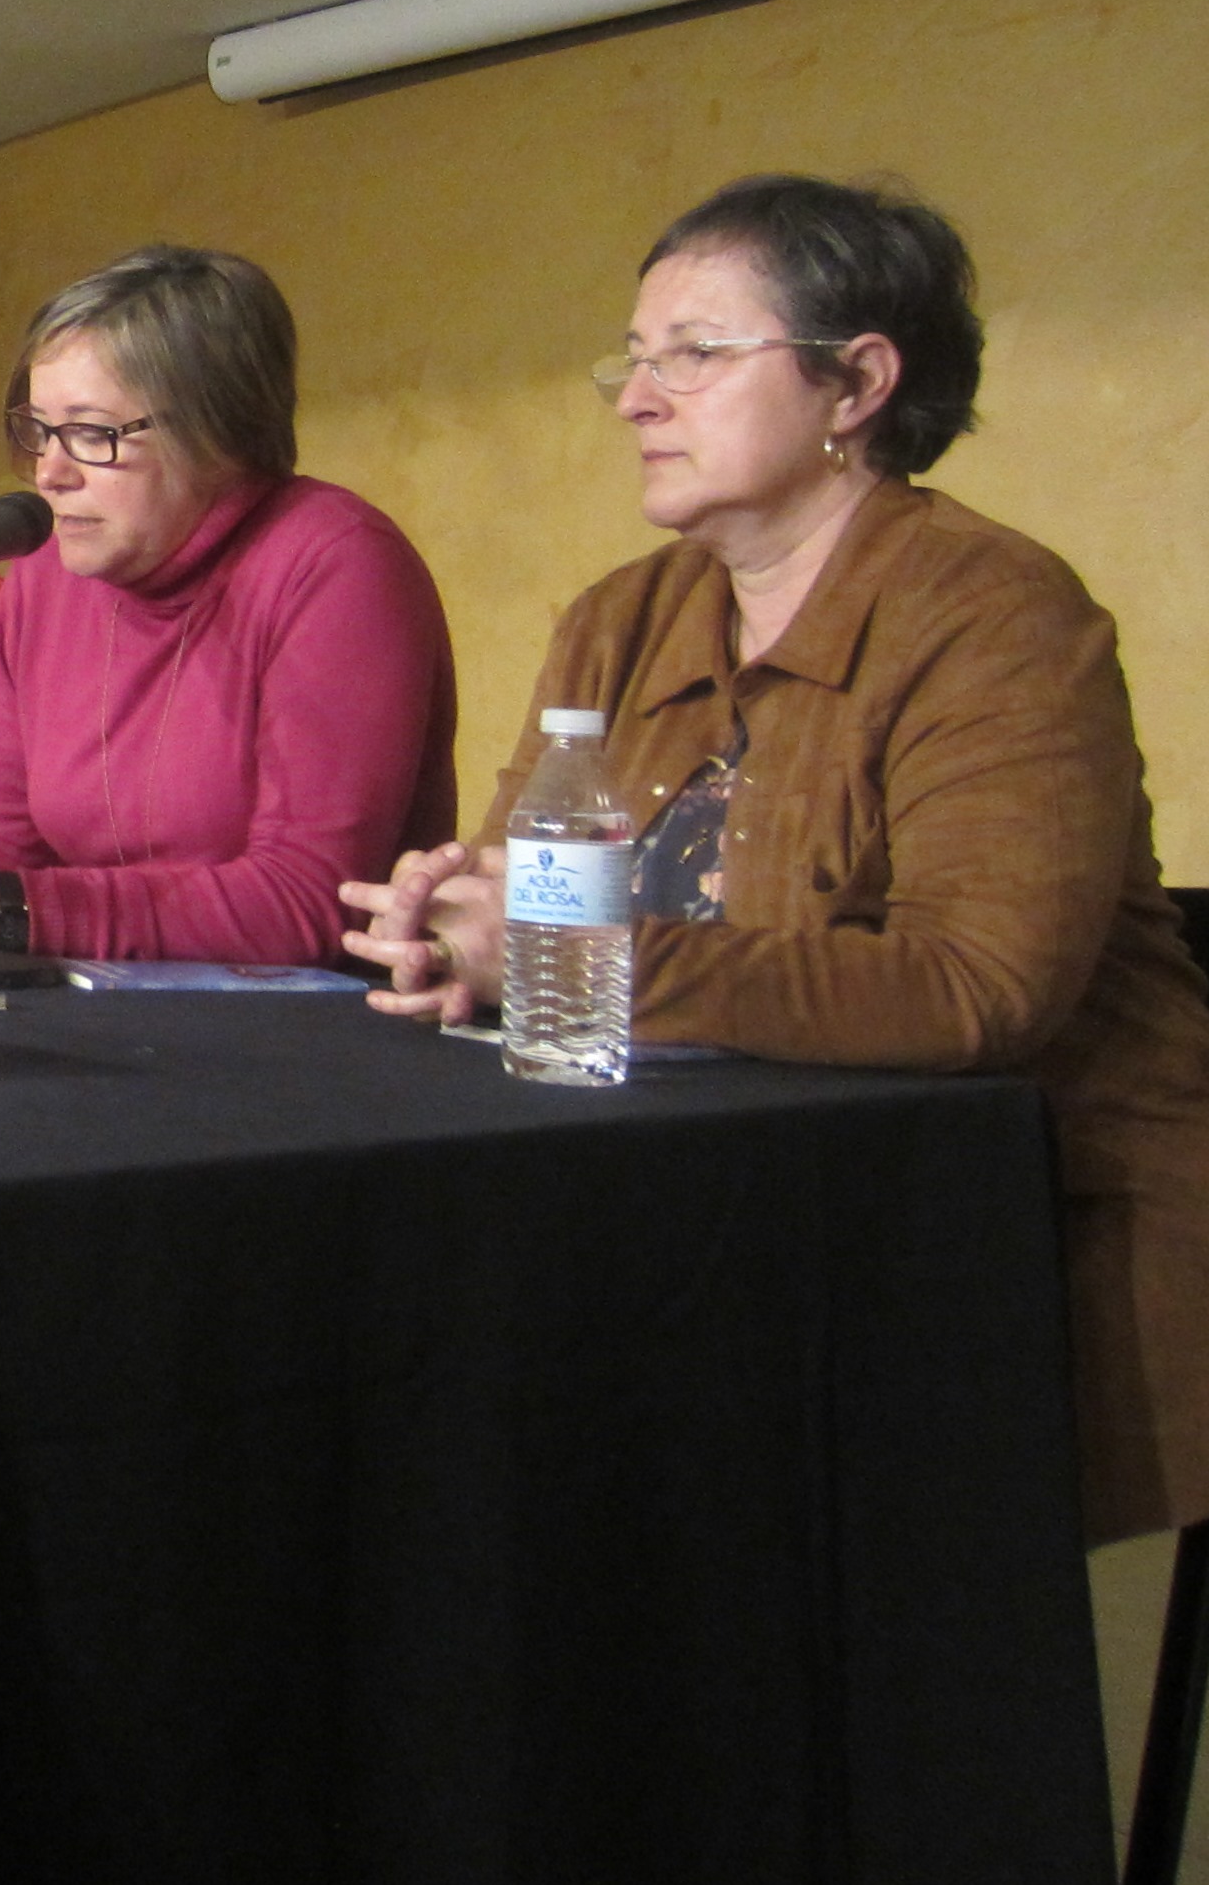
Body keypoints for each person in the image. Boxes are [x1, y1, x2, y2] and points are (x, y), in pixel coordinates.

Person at [345, 174, 1209, 1542]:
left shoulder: (1000, 616)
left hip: (991, 1253)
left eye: (693, 353)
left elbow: (978, 991)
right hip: (699, 1215)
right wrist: (452, 929)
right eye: (632, 360)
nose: (636, 398)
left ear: (855, 384)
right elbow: (530, 901)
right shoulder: (615, 621)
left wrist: (584, 963)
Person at [0, 248, 456, 961]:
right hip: (100, 1017)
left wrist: (7, 908)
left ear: (216, 432)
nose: (49, 473)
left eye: (92, 434)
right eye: (37, 430)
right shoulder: (43, 582)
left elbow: (311, 901)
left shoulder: (337, 563)